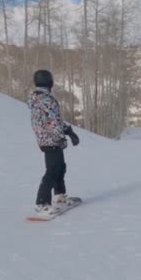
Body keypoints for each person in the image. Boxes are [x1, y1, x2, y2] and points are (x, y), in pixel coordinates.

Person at [28, 69, 80, 215]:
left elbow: (54, 120)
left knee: (60, 167)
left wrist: (68, 130)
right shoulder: (46, 100)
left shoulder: (40, 98)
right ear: (49, 81)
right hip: (50, 139)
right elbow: (52, 122)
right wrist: (61, 136)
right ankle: (41, 203)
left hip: (48, 138)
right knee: (52, 170)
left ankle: (59, 195)